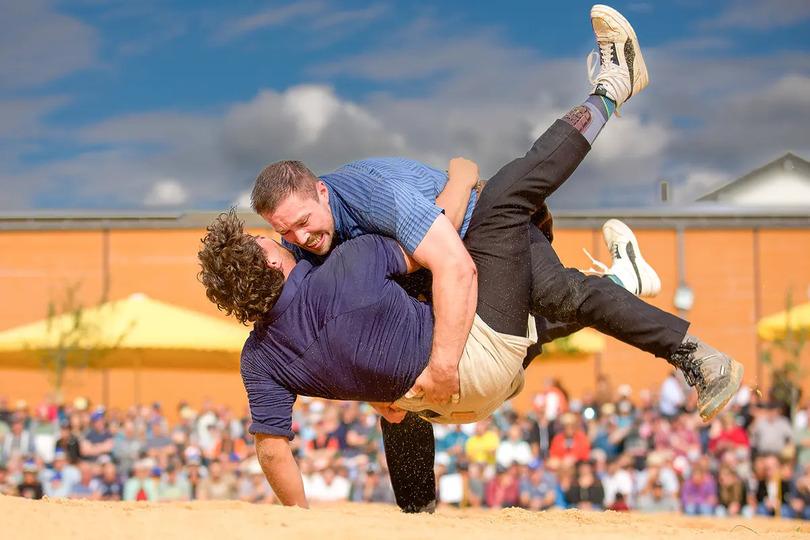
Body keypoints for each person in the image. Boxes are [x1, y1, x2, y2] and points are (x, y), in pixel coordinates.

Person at [198, 5, 742, 512]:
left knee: (547, 278)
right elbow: (348, 340)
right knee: (402, 390)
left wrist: (439, 365)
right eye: (283, 233)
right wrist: (379, 387)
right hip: (461, 307)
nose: (299, 237)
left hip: (481, 236)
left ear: (321, 190)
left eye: (302, 221)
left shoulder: (369, 195)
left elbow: (454, 254)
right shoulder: (312, 258)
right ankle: (420, 514)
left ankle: (611, 88)